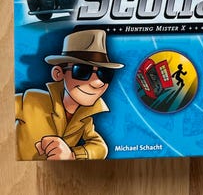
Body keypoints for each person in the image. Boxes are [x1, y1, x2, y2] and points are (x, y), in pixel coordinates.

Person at [15, 29, 124, 160]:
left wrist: (72, 154)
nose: (97, 82)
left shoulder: (84, 118)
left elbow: (100, 147)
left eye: (104, 74)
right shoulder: (30, 99)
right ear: (58, 73)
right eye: (82, 71)